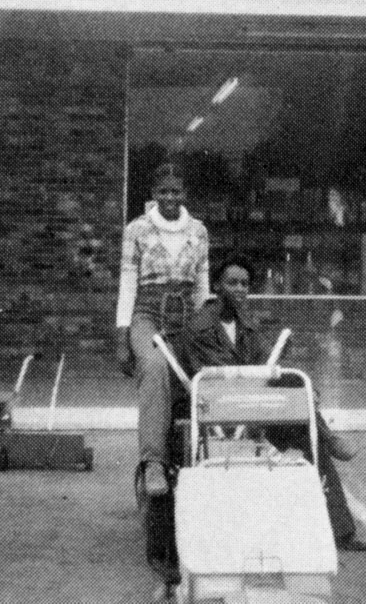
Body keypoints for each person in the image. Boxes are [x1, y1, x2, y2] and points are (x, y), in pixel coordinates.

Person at [179, 253, 366, 552]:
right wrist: (265, 375)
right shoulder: (200, 326)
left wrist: (277, 361)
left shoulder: (247, 324)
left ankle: (340, 531)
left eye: (245, 283)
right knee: (290, 392)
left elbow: (262, 361)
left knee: (306, 425)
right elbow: (218, 374)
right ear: (217, 286)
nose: (240, 289)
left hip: (255, 406)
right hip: (223, 408)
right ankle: (327, 435)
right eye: (232, 283)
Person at [115, 161, 210, 498]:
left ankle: (209, 456)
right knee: (154, 368)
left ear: (184, 193)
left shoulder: (198, 230)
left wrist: (205, 326)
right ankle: (153, 463)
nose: (170, 197)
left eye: (176, 191)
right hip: (147, 313)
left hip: (187, 314)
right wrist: (122, 336)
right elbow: (128, 283)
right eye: (163, 191)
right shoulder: (136, 229)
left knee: (202, 373)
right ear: (153, 194)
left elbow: (201, 283)